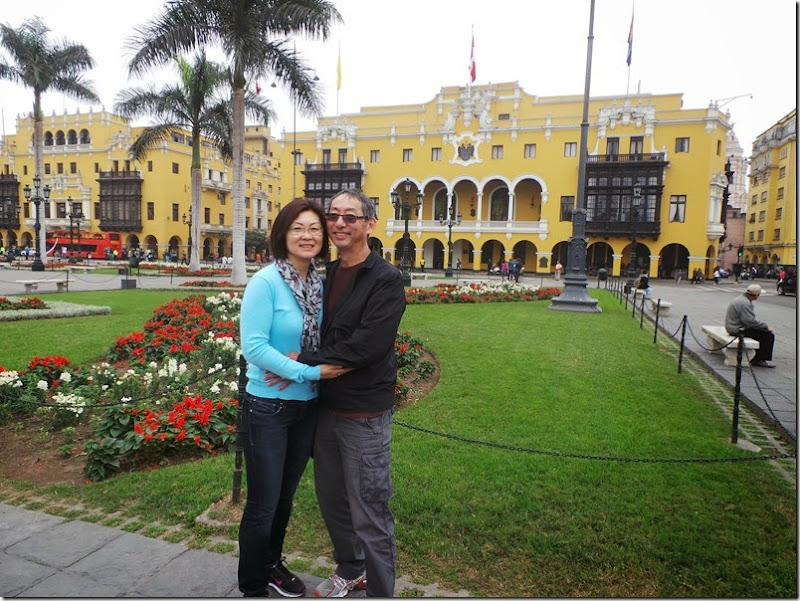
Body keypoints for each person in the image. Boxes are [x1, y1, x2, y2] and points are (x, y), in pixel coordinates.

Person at [294, 188, 406, 598]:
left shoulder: (386, 279)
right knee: (332, 500)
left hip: (363, 414)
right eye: (334, 216)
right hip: (327, 409)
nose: (339, 223)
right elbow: (330, 338)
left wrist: (302, 360)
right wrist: (321, 363)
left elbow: (366, 348)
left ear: (369, 225)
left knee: (370, 510)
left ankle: (380, 591)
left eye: (350, 217)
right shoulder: (324, 275)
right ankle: (351, 568)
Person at [238, 198, 349, 598]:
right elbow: (253, 346)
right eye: (298, 228)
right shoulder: (266, 282)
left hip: (305, 406)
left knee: (284, 498)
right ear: (283, 234)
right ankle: (252, 585)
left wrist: (303, 368)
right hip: (267, 406)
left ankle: (271, 563)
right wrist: (305, 372)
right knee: (263, 503)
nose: (308, 236)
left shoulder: (320, 284)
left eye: (315, 229)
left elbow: (328, 339)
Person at [724, 283, 776, 368]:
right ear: (756, 295)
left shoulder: (740, 299)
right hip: (737, 329)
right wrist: (766, 326)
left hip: (732, 326)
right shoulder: (745, 303)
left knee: (762, 332)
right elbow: (749, 322)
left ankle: (758, 357)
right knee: (768, 335)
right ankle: (759, 359)